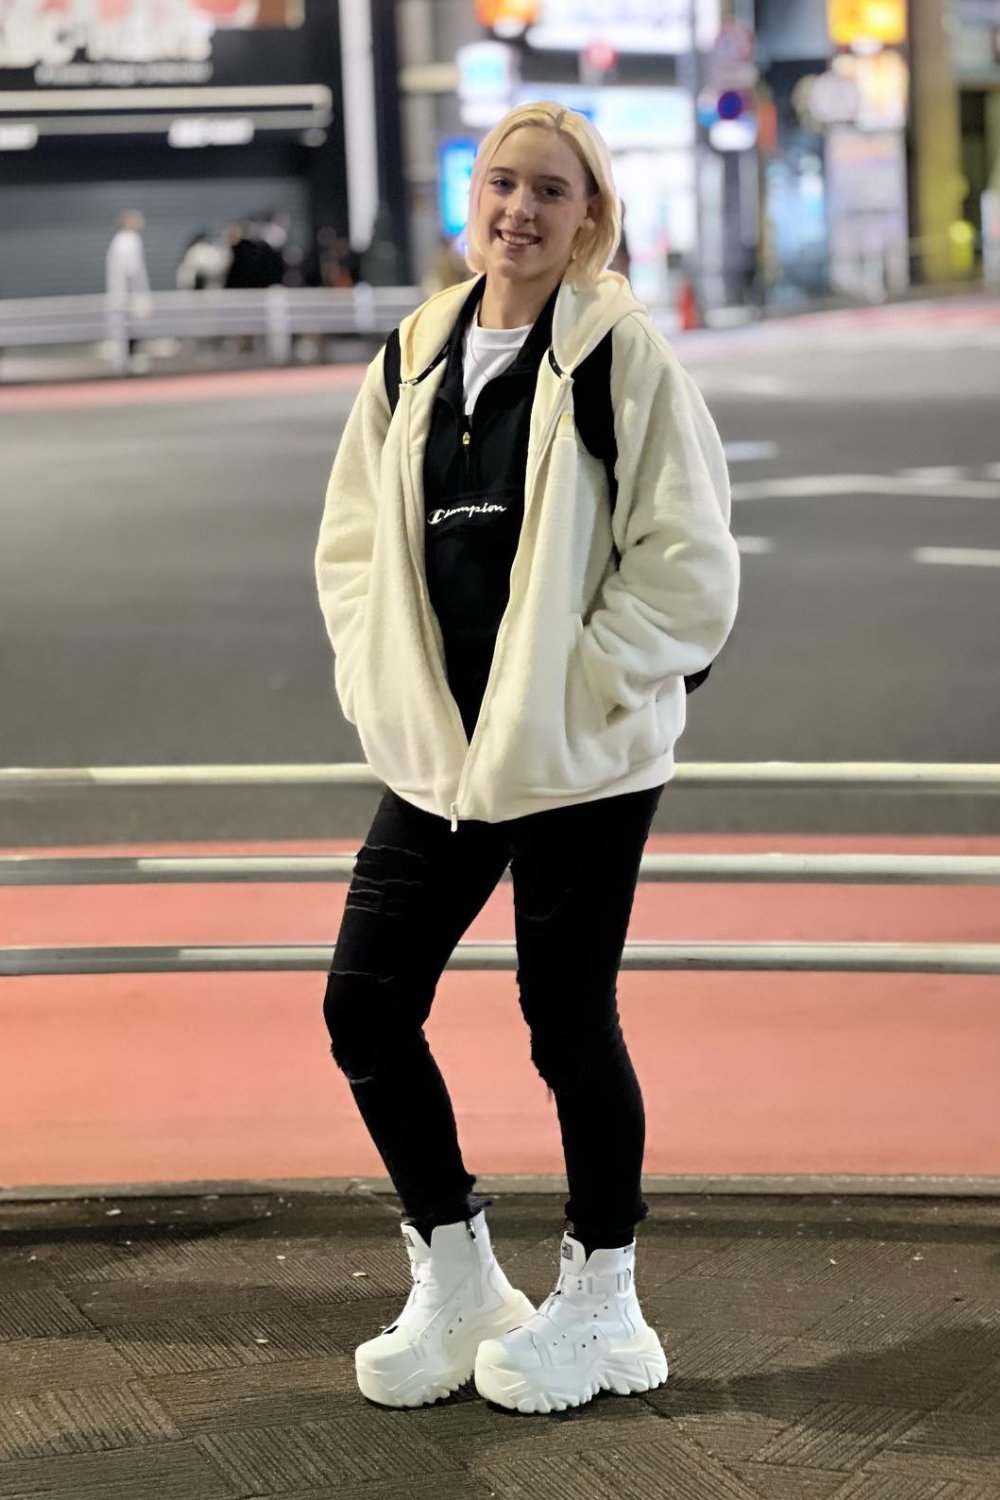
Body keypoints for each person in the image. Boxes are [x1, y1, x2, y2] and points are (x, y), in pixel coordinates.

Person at [314, 100, 740, 1414]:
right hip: (440, 755)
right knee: (364, 1004)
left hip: (581, 760)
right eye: (504, 184)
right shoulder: (413, 354)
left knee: (566, 1021)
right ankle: (457, 1275)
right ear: (472, 200)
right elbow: (349, 548)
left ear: (589, 218)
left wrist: (580, 693)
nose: (521, 210)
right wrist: (379, 686)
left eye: (552, 191)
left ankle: (605, 1301)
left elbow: (691, 568)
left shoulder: (625, 360)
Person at [104, 210, 150, 366]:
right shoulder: (130, 240)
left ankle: (123, 361)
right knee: (129, 329)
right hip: (127, 295)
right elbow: (131, 269)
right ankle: (127, 363)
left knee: (123, 331)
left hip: (122, 295)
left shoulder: (119, 240)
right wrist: (136, 297)